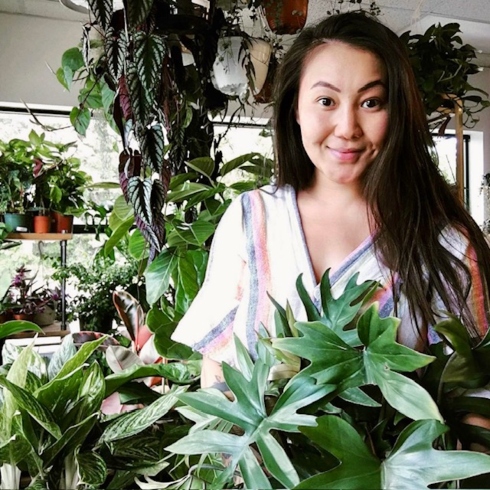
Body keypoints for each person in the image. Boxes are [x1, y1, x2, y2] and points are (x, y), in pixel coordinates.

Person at [171, 11, 490, 393]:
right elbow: (219, 372)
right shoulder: (252, 218)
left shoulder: (445, 244)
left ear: (398, 112)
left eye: (371, 103)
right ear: (295, 109)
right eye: (326, 100)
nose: (347, 128)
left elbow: (473, 399)